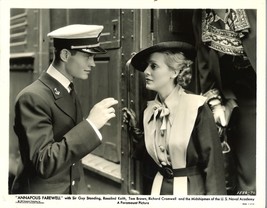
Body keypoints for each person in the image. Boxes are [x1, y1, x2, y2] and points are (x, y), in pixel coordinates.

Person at [11, 24, 118, 194]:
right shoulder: (32, 97)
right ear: (65, 55)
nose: (93, 63)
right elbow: (44, 163)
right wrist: (90, 125)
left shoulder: (66, 87)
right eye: (87, 56)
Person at [123, 41, 226, 195]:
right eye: (146, 66)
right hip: (158, 191)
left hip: (192, 192)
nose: (146, 71)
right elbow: (152, 157)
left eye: (153, 66)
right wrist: (137, 133)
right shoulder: (150, 110)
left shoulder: (196, 107)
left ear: (174, 72)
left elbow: (214, 168)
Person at [192, 9, 256, 195]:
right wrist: (215, 103)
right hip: (237, 100)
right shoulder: (200, 16)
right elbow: (204, 67)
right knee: (246, 174)